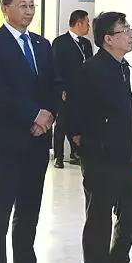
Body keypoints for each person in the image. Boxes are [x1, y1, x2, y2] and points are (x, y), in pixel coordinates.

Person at [0, 0, 59, 263]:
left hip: (38, 140)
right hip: (8, 140)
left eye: (32, 5)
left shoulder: (41, 44)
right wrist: (33, 116)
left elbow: (54, 84)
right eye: (22, 5)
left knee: (29, 208)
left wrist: (48, 115)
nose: (29, 11)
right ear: (6, 8)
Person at [72, 12, 132, 263]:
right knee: (99, 218)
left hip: (124, 155)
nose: (130, 33)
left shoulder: (122, 67)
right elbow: (75, 115)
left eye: (129, 28)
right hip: (100, 157)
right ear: (109, 39)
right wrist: (89, 147)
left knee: (131, 210)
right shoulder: (91, 70)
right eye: (124, 29)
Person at [51, 9, 94, 169]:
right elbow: (55, 67)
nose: (89, 26)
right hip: (65, 91)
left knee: (78, 122)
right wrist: (60, 88)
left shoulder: (86, 44)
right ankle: (58, 156)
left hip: (81, 91)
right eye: (87, 23)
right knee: (62, 123)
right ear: (79, 23)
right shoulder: (60, 42)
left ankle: (75, 153)